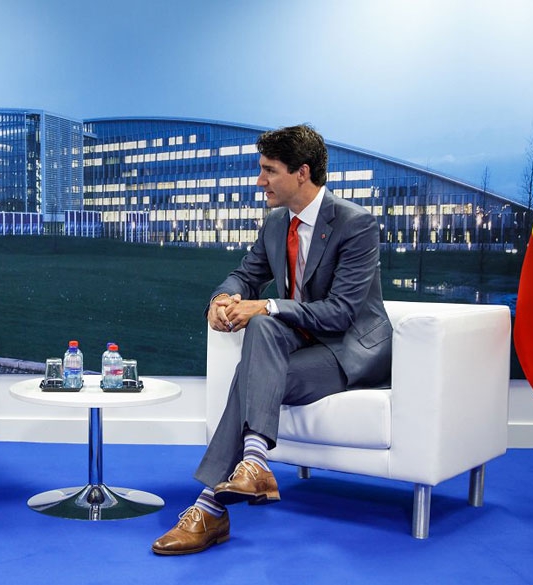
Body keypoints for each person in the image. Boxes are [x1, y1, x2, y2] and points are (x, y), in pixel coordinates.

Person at [151, 124, 392, 555]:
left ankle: (208, 509)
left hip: (349, 350)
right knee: (262, 329)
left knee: (257, 343)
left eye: (269, 171)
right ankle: (255, 463)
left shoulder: (356, 225)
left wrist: (266, 305)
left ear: (302, 173)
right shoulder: (276, 222)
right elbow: (247, 274)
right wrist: (222, 298)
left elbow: (340, 314)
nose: (259, 181)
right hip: (298, 344)